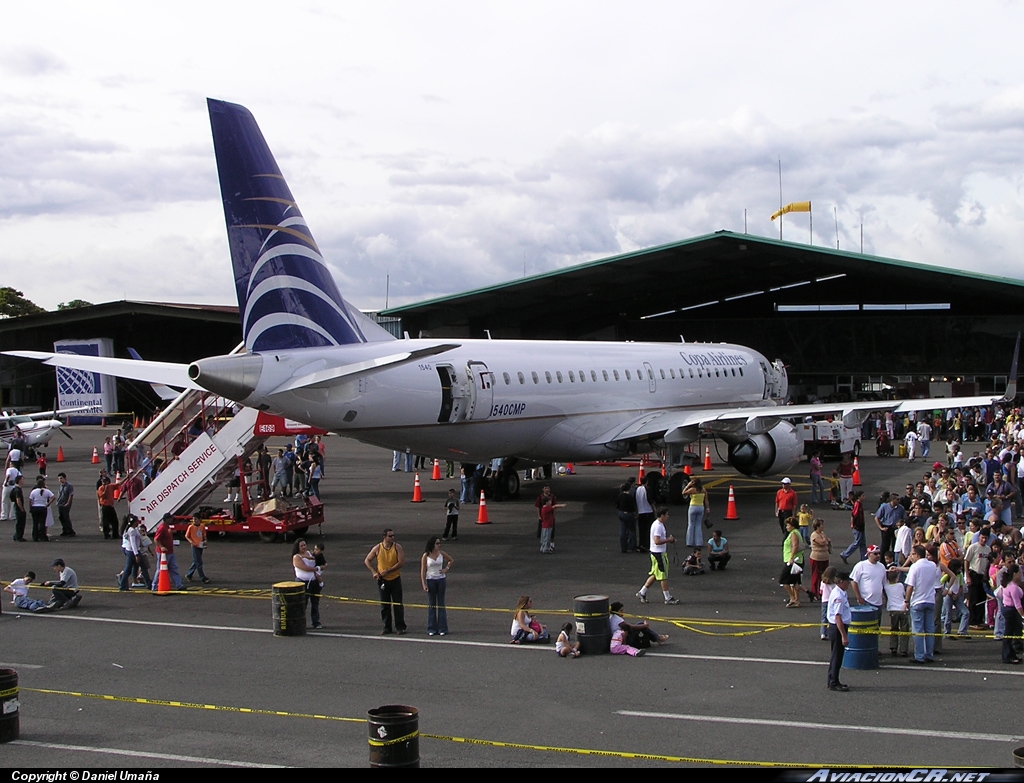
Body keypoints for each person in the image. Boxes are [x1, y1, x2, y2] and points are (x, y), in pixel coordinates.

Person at [365, 528, 407, 635]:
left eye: (393, 536)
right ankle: (387, 626)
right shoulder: (378, 548)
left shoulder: (397, 547)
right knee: (385, 604)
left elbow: (401, 562)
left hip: (395, 579)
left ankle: (400, 626)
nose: (392, 538)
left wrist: (388, 570)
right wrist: (374, 572)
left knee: (397, 603)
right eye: (390, 536)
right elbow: (367, 560)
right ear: (384, 537)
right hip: (382, 580)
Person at [905, 544, 942, 663]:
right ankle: (929, 654)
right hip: (930, 599)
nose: (911, 556)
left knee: (918, 630)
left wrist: (906, 600)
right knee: (929, 629)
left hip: (917, 601)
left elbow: (910, 586)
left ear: (917, 554)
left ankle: (919, 656)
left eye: (912, 554)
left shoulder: (915, 567)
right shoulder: (932, 565)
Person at [636, 508, 680, 605]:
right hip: (659, 553)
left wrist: (668, 539)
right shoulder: (658, 526)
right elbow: (657, 541)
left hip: (655, 553)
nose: (668, 516)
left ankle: (642, 592)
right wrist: (669, 539)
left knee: (656, 574)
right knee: (663, 576)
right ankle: (667, 597)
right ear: (662, 515)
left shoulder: (658, 524)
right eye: (667, 514)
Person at [420, 535, 453, 636]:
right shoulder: (426, 555)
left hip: (441, 579)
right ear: (432, 545)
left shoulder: (441, 553)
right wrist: (423, 584)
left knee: (441, 604)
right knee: (432, 604)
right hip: (431, 580)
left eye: (439, 543)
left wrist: (445, 569)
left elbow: (451, 560)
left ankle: (442, 628)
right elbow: (423, 570)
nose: (439, 545)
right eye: (437, 543)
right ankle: (432, 628)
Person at [826, 571, 852, 691]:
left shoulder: (841, 593)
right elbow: (838, 617)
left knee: (836, 655)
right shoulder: (839, 596)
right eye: (847, 581)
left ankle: (833, 679)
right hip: (837, 628)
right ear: (841, 582)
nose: (849, 583)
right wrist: (844, 636)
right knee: (837, 656)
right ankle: (833, 681)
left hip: (837, 627)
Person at [292, 538, 322, 629]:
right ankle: (299, 622)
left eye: (305, 545)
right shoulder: (296, 557)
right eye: (301, 546)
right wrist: (317, 569)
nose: (304, 547)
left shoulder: (309, 553)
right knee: (302, 604)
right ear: (298, 547)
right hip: (302, 582)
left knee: (315, 603)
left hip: (313, 581)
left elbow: (318, 559)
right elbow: (304, 568)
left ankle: (315, 622)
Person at [151, 512, 184, 591]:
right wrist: (161, 547)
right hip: (163, 553)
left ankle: (179, 584)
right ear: (166, 519)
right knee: (160, 569)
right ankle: (154, 586)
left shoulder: (167, 527)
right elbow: (156, 539)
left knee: (173, 568)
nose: (172, 519)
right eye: (170, 518)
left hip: (170, 551)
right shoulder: (162, 528)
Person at [999, 563, 1023, 664]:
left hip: (1008, 609)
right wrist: (1023, 616)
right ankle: (1007, 656)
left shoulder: (1008, 584)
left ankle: (1012, 653)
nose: (1021, 574)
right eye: (1019, 572)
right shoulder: (1013, 587)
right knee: (1008, 634)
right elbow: (1017, 605)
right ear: (1014, 574)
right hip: (1011, 610)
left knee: (1012, 632)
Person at [884, 567, 910, 657]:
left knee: (894, 628)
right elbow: (903, 594)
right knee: (904, 630)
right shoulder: (900, 585)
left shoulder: (886, 586)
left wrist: (887, 571)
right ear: (897, 578)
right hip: (902, 609)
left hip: (892, 610)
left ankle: (893, 647)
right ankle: (903, 649)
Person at [780, 517, 805, 607]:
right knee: (794, 582)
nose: (786, 527)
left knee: (784, 580)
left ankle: (792, 598)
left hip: (793, 561)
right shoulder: (795, 532)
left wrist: (791, 558)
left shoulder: (793, 533)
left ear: (792, 526)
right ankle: (796, 600)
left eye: (788, 525)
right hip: (797, 560)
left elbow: (795, 545)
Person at [681, 477, 709, 553]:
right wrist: (707, 508)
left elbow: (683, 493)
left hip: (693, 507)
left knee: (691, 524)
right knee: (698, 525)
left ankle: (689, 542)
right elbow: (706, 500)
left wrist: (687, 486)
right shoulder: (703, 490)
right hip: (701, 507)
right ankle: (699, 542)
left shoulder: (693, 490)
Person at [808, 518, 831, 600]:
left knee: (825, 576)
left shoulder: (822, 533)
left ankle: (823, 592)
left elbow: (827, 542)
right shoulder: (814, 535)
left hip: (825, 557)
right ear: (817, 526)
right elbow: (822, 542)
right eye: (821, 525)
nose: (823, 526)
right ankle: (815, 593)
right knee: (816, 576)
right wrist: (825, 539)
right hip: (816, 557)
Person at [185, 513, 211, 583]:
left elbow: (204, 535)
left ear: (199, 520)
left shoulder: (202, 526)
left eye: (196, 519)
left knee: (196, 561)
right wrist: (191, 542)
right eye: (193, 519)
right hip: (194, 546)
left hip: (200, 545)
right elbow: (187, 536)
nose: (194, 521)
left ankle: (189, 574)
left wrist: (205, 540)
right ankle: (202, 577)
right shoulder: (190, 527)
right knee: (199, 562)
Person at [28, 477, 55, 542]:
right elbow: (53, 497)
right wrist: (48, 504)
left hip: (35, 507)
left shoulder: (33, 491)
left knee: (35, 523)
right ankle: (43, 537)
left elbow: (30, 500)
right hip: (43, 507)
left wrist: (31, 507)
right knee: (42, 523)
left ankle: (35, 537)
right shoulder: (46, 491)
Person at [616, 481, 638, 553]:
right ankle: (632, 546)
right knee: (632, 530)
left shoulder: (620, 495)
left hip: (621, 513)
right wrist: (635, 515)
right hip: (628, 514)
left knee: (623, 530)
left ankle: (623, 547)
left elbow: (617, 505)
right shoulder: (629, 497)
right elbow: (632, 508)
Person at [55, 472, 75, 537]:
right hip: (60, 503)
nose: (60, 480)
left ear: (65, 478)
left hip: (65, 504)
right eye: (59, 479)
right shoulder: (61, 486)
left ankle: (70, 530)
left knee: (66, 517)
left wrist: (68, 503)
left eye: (61, 478)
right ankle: (65, 530)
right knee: (61, 517)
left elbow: (70, 495)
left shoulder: (69, 486)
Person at [10, 475, 27, 541]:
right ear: (19, 480)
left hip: (16, 508)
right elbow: (18, 500)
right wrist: (22, 509)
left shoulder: (14, 489)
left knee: (19, 522)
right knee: (20, 523)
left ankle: (16, 535)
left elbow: (12, 497)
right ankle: (19, 536)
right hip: (19, 509)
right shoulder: (18, 490)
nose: (23, 481)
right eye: (22, 479)